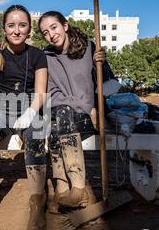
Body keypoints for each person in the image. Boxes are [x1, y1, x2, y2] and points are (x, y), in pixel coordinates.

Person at [0, 5, 49, 230]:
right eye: (11, 25)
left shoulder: (37, 55)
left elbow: (41, 92)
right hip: (1, 110)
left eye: (22, 25)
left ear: (29, 29)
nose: (16, 30)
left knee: (35, 135)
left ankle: (37, 204)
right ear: (4, 28)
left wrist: (31, 113)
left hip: (29, 108)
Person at [38, 11, 116, 212]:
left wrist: (97, 108)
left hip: (91, 116)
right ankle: (66, 189)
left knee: (60, 119)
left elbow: (108, 87)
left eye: (54, 27)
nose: (51, 35)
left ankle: (76, 189)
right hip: (69, 113)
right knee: (58, 120)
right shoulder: (47, 57)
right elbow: (52, 95)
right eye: (45, 32)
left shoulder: (91, 49)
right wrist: (83, 107)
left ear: (65, 25)